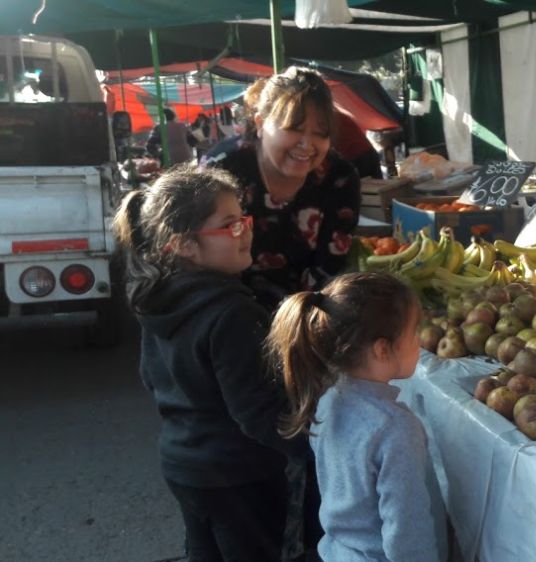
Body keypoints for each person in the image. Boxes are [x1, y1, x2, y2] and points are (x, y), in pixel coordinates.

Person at [112, 167, 306, 561]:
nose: (246, 232)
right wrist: (313, 447)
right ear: (184, 244)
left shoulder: (161, 299)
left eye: (244, 220)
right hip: (239, 474)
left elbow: (151, 379)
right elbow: (257, 411)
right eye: (229, 225)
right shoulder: (231, 313)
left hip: (183, 464)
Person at [266, 272, 442, 562]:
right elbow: (408, 532)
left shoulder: (328, 399)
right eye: (413, 333)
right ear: (383, 349)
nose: (419, 341)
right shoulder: (397, 428)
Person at [202, 66, 361, 311]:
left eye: (320, 134)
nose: (307, 145)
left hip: (305, 316)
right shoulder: (221, 170)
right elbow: (203, 262)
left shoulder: (340, 178)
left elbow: (330, 267)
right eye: (293, 129)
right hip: (226, 314)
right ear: (260, 123)